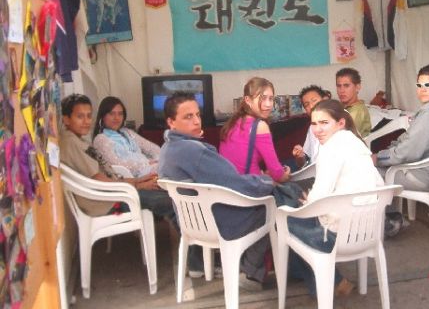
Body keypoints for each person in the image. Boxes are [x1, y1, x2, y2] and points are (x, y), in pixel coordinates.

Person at [157, 91, 275, 286]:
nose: (196, 121)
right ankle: (251, 272)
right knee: (275, 205)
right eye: (188, 117)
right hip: (219, 223)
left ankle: (248, 269)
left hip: (192, 226)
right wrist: (266, 181)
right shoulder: (194, 151)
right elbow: (236, 184)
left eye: (197, 115)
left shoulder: (167, 150)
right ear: (171, 122)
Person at [288, 99, 384, 297]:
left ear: (340, 123)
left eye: (324, 123)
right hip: (370, 232)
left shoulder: (331, 148)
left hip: (338, 237)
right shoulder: (357, 144)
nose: (317, 129)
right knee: (297, 214)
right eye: (314, 123)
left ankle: (329, 283)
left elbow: (318, 198)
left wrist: (308, 202)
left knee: (282, 222)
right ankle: (328, 281)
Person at [59, 94, 176, 225]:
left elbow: (104, 176)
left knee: (172, 198)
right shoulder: (71, 143)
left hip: (115, 194)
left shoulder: (76, 140)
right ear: (66, 119)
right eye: (80, 116)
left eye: (88, 116)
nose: (86, 121)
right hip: (109, 202)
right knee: (172, 202)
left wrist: (137, 181)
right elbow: (98, 180)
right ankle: (192, 243)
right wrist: (138, 185)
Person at [373, 63, 429, 191]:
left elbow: (407, 153)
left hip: (423, 175)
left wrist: (378, 158)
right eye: (419, 85)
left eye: (428, 85)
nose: (422, 90)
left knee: (362, 173)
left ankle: (378, 211)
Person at [219, 77, 291, 183]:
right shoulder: (259, 126)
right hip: (250, 191)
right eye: (262, 98)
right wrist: (285, 174)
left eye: (271, 99)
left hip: (230, 188)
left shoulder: (233, 122)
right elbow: (278, 174)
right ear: (248, 100)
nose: (268, 104)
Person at [92, 96, 160, 178]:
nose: (116, 118)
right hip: (131, 180)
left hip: (148, 169)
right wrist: (146, 163)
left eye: (120, 114)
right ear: (102, 116)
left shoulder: (127, 132)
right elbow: (116, 166)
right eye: (111, 114)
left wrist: (158, 160)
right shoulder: (101, 139)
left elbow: (153, 148)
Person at [291, 85, 331, 169]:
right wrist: (300, 157)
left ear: (324, 100)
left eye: (314, 101)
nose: (311, 106)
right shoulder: (311, 128)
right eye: (307, 104)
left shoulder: (336, 123)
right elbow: (304, 163)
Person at [335, 67, 371, 138]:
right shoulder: (343, 107)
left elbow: (345, 137)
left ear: (357, 87)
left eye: (346, 86)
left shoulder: (358, 110)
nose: (341, 91)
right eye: (339, 86)